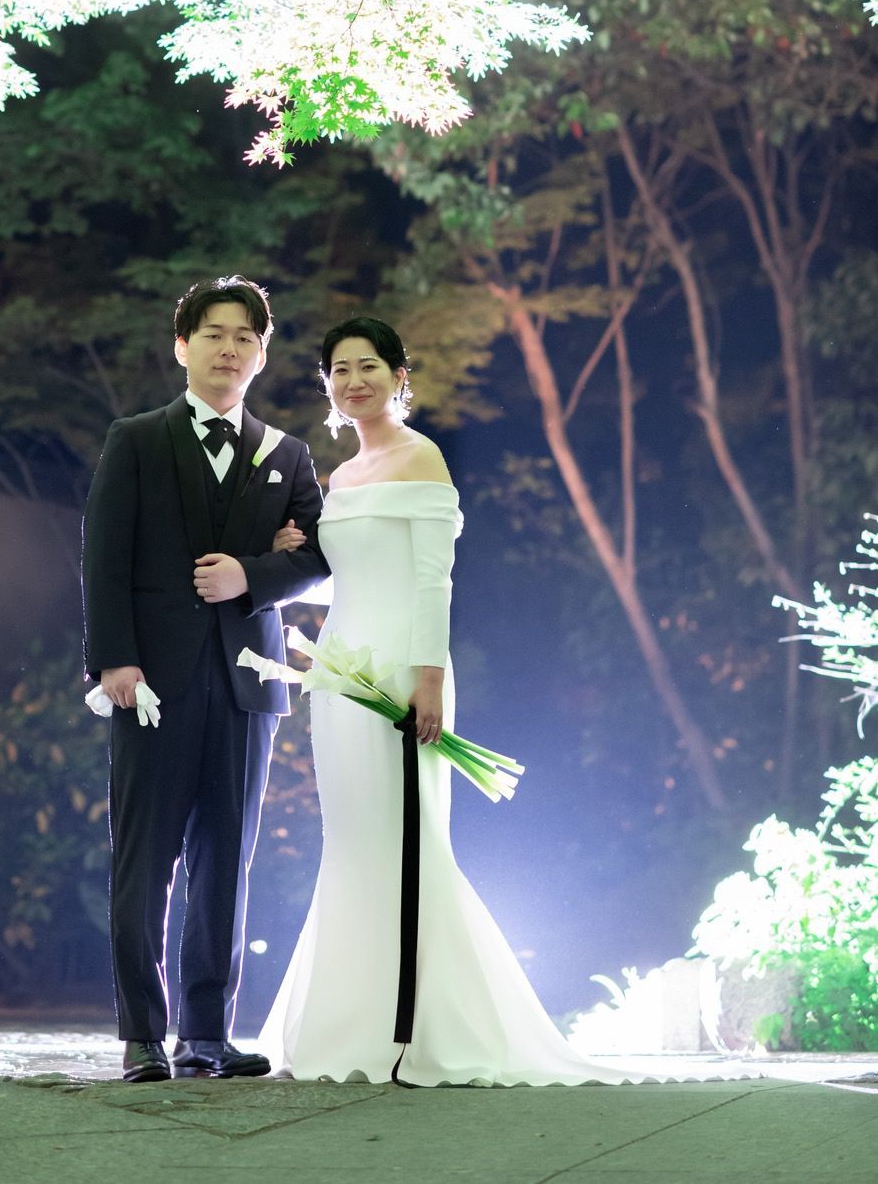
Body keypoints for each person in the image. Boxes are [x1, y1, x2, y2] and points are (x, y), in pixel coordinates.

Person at [259, 315, 635, 1087]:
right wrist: (297, 556)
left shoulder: (421, 456)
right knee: (352, 842)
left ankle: (420, 1027)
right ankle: (345, 1023)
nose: (354, 379)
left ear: (399, 375)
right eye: (339, 368)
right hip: (341, 676)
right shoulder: (342, 476)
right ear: (327, 384)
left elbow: (432, 579)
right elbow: (353, 577)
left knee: (409, 842)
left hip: (402, 672)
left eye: (369, 365)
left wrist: (427, 679)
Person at [81, 275, 328, 1084]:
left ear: (262, 354)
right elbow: (104, 557)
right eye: (215, 334)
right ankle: (142, 1034)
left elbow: (318, 555)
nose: (230, 348)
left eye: (245, 337)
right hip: (151, 679)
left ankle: (207, 1034)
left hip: (248, 683)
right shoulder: (137, 439)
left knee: (226, 862)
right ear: (183, 345)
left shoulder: (286, 454)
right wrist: (115, 657)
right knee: (144, 859)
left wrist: (252, 574)